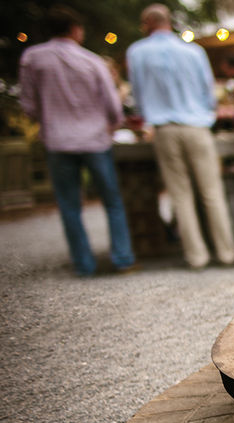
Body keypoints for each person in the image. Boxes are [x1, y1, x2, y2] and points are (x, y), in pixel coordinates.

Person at [18, 5, 136, 277]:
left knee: (70, 205)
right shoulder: (92, 61)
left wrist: (48, 119)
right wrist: (111, 125)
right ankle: (122, 257)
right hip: (95, 139)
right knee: (112, 201)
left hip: (58, 140)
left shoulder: (32, 59)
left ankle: (84, 264)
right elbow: (112, 107)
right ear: (75, 30)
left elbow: (28, 104)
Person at [126, 3, 234, 269]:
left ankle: (197, 257)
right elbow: (208, 94)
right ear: (168, 22)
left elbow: (138, 96)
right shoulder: (194, 51)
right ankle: (226, 253)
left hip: (164, 128)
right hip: (197, 126)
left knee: (180, 195)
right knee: (212, 193)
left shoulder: (137, 52)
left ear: (147, 24)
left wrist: (145, 116)